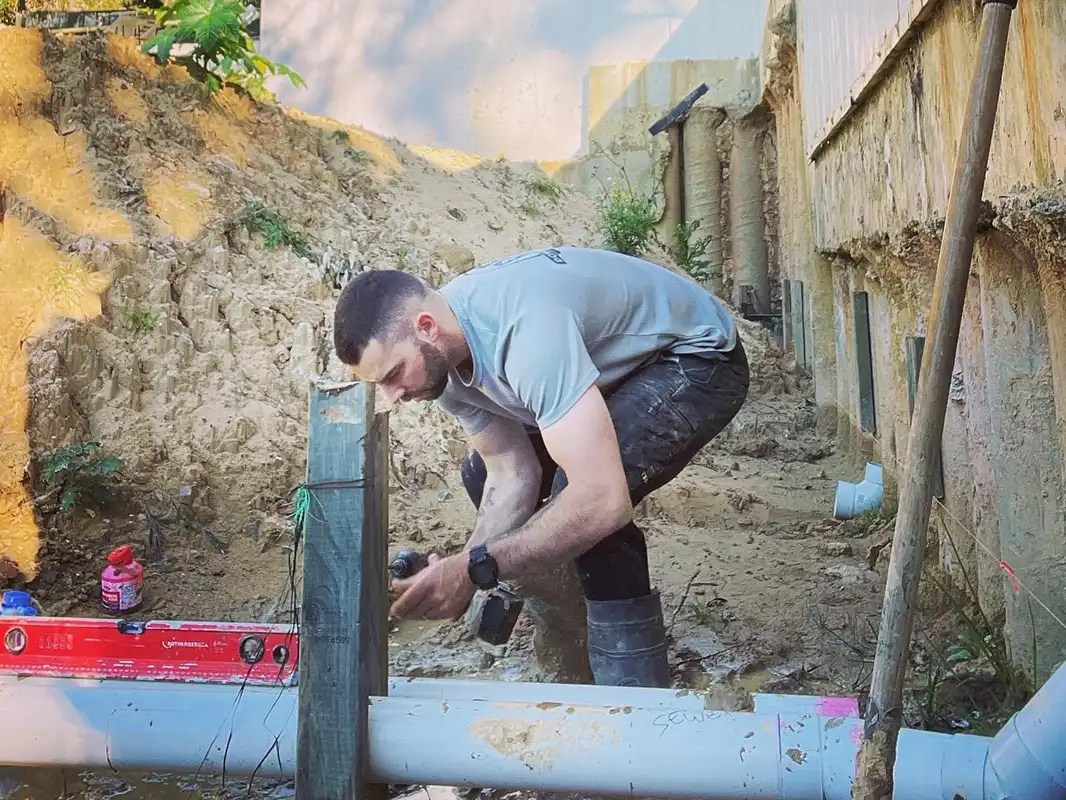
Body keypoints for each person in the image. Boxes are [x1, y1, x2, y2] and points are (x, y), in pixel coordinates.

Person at [333, 246, 750, 687]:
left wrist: (478, 569)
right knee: (479, 474)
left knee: (585, 503)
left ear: (426, 327)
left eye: (393, 374)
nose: (393, 396)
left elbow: (601, 501)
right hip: (611, 368)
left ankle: (633, 691)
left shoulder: (525, 334)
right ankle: (571, 643)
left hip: (694, 358)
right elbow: (511, 471)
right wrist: (465, 564)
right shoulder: (440, 363)